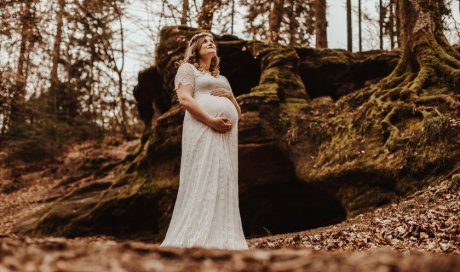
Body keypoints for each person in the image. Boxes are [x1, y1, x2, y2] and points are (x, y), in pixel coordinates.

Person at [159, 32, 248, 250]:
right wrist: (211, 120)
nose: (210, 44)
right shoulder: (187, 69)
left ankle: (222, 236)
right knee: (203, 175)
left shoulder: (223, 79)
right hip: (202, 128)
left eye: (212, 42)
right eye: (205, 42)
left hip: (225, 136)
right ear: (196, 48)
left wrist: (230, 98)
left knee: (222, 180)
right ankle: (196, 237)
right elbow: (185, 99)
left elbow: (238, 112)